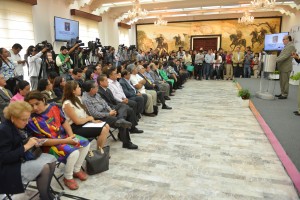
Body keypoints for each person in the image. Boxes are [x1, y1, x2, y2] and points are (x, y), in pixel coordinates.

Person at [24, 91, 90, 190]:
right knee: (74, 152)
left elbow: (64, 122)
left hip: (65, 137)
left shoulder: (54, 107)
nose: (35, 108)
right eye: (31, 106)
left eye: (37, 104)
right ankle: (68, 177)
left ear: (43, 100)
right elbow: (42, 141)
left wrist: (71, 136)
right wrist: (67, 141)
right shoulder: (30, 119)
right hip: (49, 145)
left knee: (85, 143)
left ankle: (76, 169)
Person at [0, 101, 57, 200]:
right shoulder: (4, 130)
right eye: (24, 120)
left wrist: (32, 141)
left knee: (51, 159)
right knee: (44, 168)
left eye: (28, 119)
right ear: (13, 118)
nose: (27, 122)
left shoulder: (15, 126)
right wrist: (26, 146)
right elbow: (5, 158)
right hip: (8, 168)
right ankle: (45, 197)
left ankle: (46, 192)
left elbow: (17, 143)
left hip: (19, 158)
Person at [62, 80, 110, 149]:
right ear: (73, 91)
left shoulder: (78, 98)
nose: (80, 89)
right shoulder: (67, 104)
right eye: (78, 87)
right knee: (104, 129)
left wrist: (93, 121)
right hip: (75, 128)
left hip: (84, 123)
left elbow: (84, 114)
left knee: (106, 126)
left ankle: (100, 150)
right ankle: (99, 151)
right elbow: (77, 121)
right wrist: (89, 119)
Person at [275, 35, 296, 99]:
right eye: (283, 39)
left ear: (288, 39)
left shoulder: (291, 46)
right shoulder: (286, 47)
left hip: (286, 67)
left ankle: (285, 94)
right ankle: (282, 93)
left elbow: (285, 56)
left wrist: (275, 60)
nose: (283, 41)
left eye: (284, 39)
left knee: (285, 81)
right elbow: (281, 56)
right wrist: (275, 59)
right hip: (282, 67)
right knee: (282, 81)